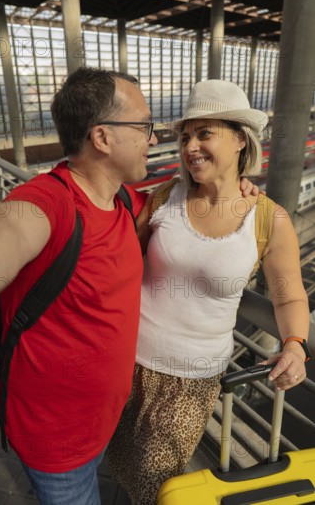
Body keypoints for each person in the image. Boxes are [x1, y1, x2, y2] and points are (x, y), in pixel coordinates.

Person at [0, 68, 258, 505]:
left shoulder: (123, 205)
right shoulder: (49, 204)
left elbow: (182, 205)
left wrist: (230, 187)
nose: (154, 140)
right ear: (102, 138)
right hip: (56, 443)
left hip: (103, 425)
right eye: (145, 126)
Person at [107, 79, 310, 505]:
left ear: (240, 140)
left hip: (191, 381)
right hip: (124, 360)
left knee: (155, 483)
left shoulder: (268, 220)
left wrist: (294, 344)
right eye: (185, 136)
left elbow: (289, 296)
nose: (190, 146)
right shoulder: (165, 198)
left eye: (205, 133)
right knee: (117, 461)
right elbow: (120, 263)